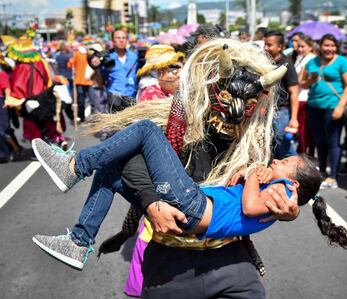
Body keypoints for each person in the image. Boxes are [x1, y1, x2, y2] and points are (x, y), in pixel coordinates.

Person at [31, 39, 297, 299]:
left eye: (246, 104)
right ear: (212, 87)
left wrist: (293, 208)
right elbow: (127, 162)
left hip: (229, 262)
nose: (234, 111)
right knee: (112, 162)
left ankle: (76, 211)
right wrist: (151, 202)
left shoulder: (256, 142)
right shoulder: (175, 121)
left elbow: (297, 178)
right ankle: (78, 232)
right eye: (226, 96)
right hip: (172, 262)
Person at [32, 119, 347, 267]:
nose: (275, 161)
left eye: (283, 162)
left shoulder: (283, 193)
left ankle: (75, 165)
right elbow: (237, 198)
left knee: (148, 130)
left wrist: (253, 173)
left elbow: (250, 208)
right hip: (194, 209)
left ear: (294, 183)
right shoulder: (278, 189)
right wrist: (243, 174)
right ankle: (79, 242)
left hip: (192, 205)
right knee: (110, 170)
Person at [301, 34, 347, 189]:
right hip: (314, 106)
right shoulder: (312, 62)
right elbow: (303, 84)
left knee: (333, 141)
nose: (330, 49)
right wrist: (310, 80)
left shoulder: (342, 62)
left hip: (332, 106)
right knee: (320, 141)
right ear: (320, 46)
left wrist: (340, 106)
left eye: (332, 45)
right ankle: (323, 171)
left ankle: (333, 177)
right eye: (326, 45)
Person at [264, 31, 299, 159]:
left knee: (283, 144)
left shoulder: (286, 65)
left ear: (280, 47)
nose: (266, 48)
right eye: (265, 44)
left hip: (282, 111)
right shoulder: (266, 63)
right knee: (272, 145)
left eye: (269, 45)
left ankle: (297, 170)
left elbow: (294, 93)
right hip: (269, 111)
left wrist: (293, 119)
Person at [92, 30, 139, 113]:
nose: (121, 40)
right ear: (113, 41)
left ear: (127, 40)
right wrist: (97, 68)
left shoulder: (134, 56)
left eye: (124, 38)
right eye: (118, 38)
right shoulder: (107, 57)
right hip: (114, 98)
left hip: (132, 97)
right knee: (117, 125)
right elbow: (100, 83)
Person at [295, 35, 315, 154]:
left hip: (305, 97)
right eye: (298, 46)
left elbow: (303, 81)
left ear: (310, 47)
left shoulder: (310, 60)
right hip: (299, 97)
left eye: (303, 46)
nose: (300, 49)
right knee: (302, 130)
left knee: (304, 130)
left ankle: (305, 155)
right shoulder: (300, 58)